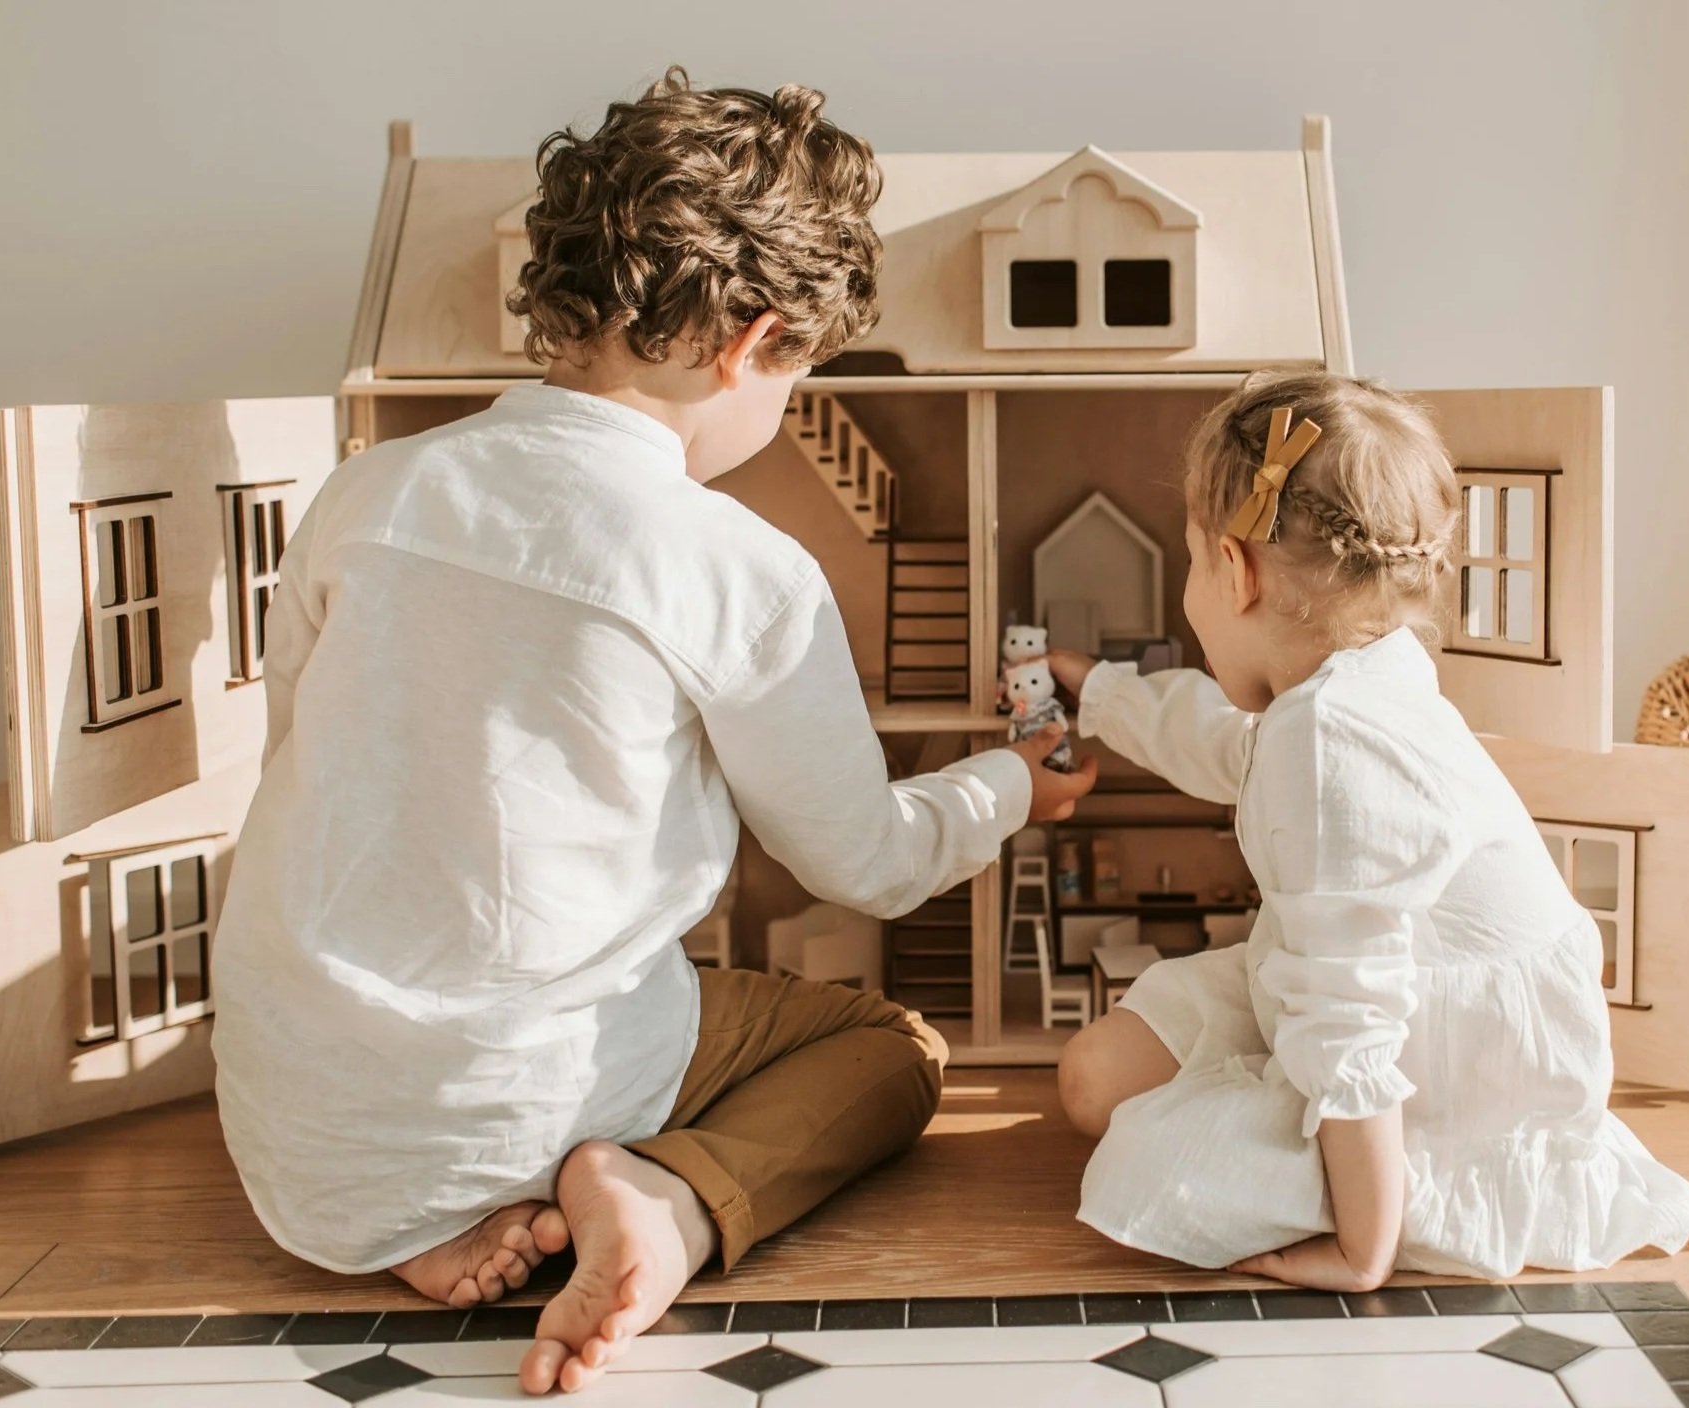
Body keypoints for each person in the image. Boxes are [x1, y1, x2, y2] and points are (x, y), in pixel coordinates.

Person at [211, 69, 1094, 1395]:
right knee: (891, 1046)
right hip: (526, 1087)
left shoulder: (363, 494)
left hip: (292, 1124)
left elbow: (306, 754)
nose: (784, 409)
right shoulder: (733, 565)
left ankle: (415, 1228)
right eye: (797, 376)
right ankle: (671, 1203)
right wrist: (1016, 785)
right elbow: (866, 862)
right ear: (751, 341)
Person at [1052, 370, 1689, 1287]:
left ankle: (1383, 1189)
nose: (1192, 591)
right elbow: (1229, 749)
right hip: (1349, 984)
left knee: (1146, 1173)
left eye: (1195, 562)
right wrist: (1104, 691)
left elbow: (1349, 1013)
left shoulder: (1331, 741)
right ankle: (1292, 1135)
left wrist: (1364, 1246)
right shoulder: (1348, 679)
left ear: (1236, 573)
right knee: (1093, 1079)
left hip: (1442, 1054)